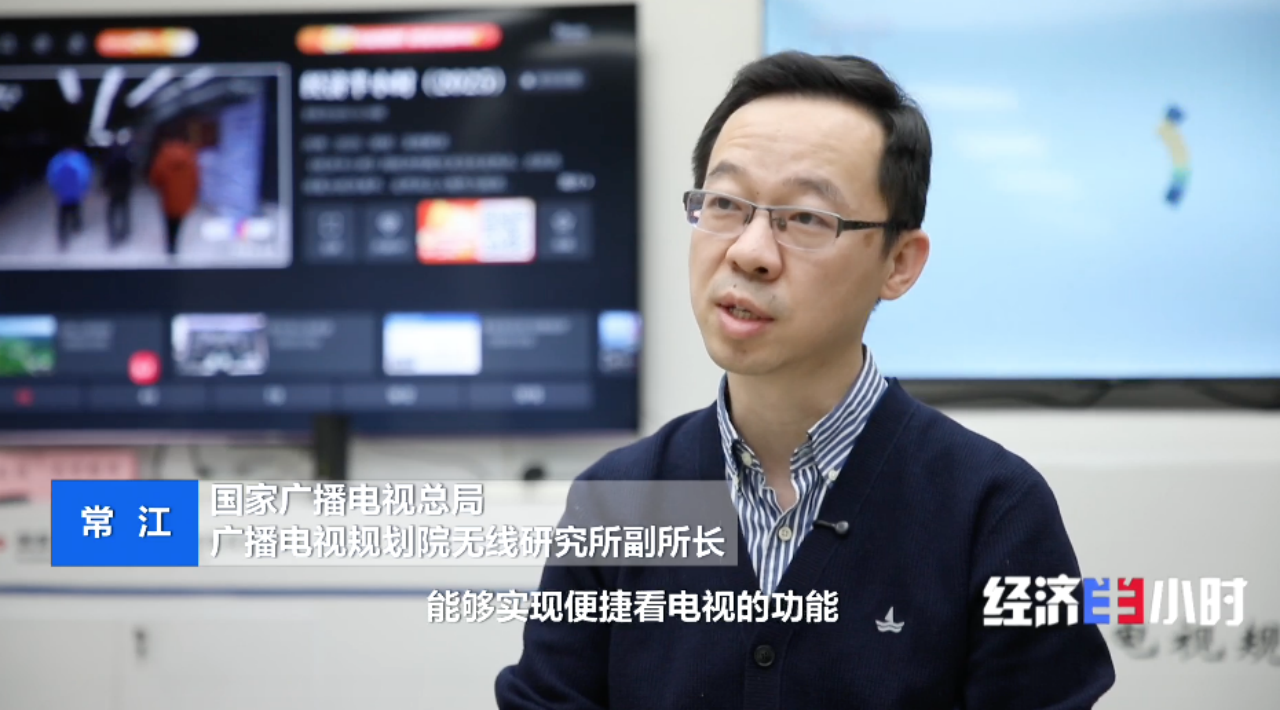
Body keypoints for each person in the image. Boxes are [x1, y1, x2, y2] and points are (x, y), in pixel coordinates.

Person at [495, 52, 1115, 709]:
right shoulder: (618, 503)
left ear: (899, 263)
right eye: (725, 204)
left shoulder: (992, 512)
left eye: (807, 218)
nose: (749, 252)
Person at [149, 130, 200, 255]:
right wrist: (194, 192)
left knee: (169, 220)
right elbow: (196, 178)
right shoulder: (190, 155)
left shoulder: (164, 154)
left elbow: (156, 174)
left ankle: (170, 244)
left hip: (168, 195)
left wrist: (158, 186)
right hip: (184, 196)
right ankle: (175, 243)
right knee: (179, 220)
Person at [45, 143, 92, 250]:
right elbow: (85, 175)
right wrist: (84, 189)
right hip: (75, 191)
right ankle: (76, 227)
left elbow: (51, 175)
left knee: (63, 213)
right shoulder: (79, 159)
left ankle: (62, 235)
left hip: (62, 192)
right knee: (75, 209)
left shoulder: (57, 160)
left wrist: (54, 188)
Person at [103, 132, 135, 246]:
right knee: (124, 209)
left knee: (112, 211)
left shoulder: (111, 158)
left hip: (114, 187)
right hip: (125, 187)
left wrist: (105, 185)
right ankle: (125, 231)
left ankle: (113, 233)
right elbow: (131, 172)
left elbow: (107, 173)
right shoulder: (127, 157)